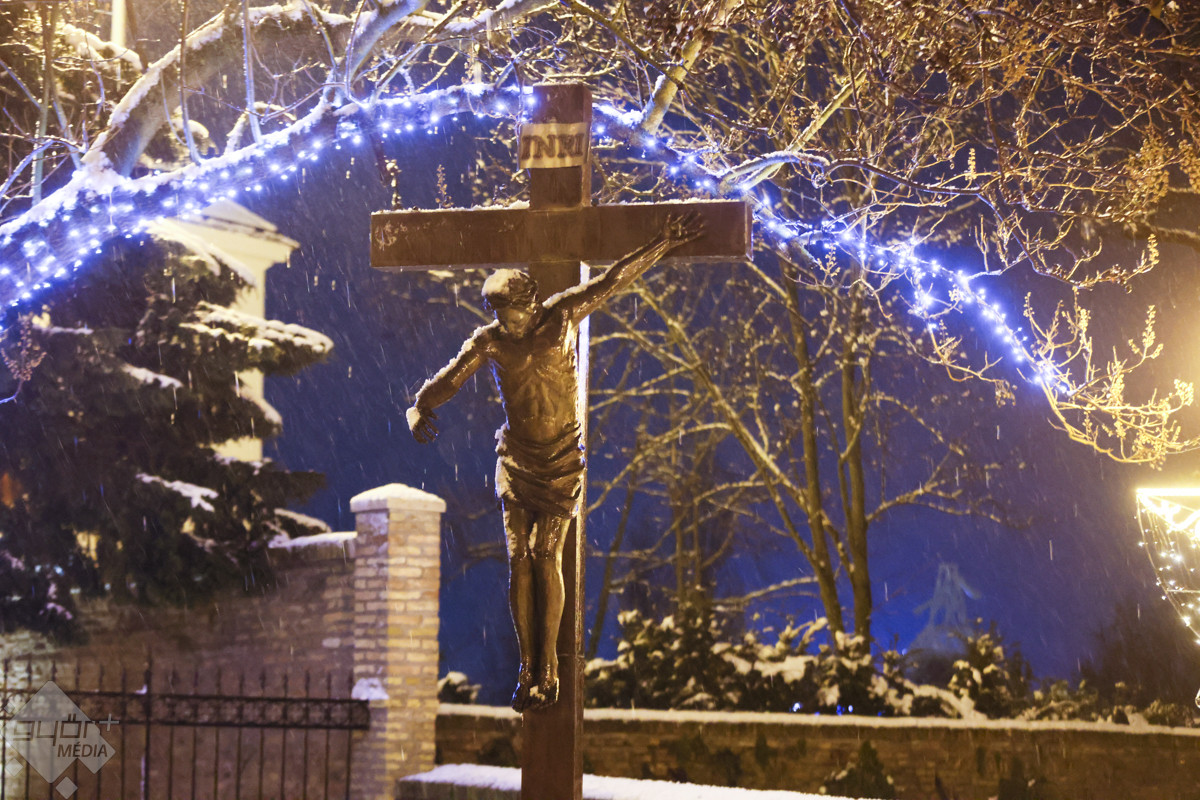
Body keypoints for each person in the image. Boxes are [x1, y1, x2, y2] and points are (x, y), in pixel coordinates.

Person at [407, 212, 703, 711]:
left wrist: (661, 242)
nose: (510, 323)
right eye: (501, 315)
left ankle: (549, 666)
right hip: (516, 459)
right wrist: (419, 405)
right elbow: (450, 380)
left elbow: (612, 280)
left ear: (531, 303)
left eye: (515, 313)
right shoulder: (490, 341)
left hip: (561, 458)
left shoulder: (562, 316)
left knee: (547, 554)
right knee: (518, 557)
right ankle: (527, 667)